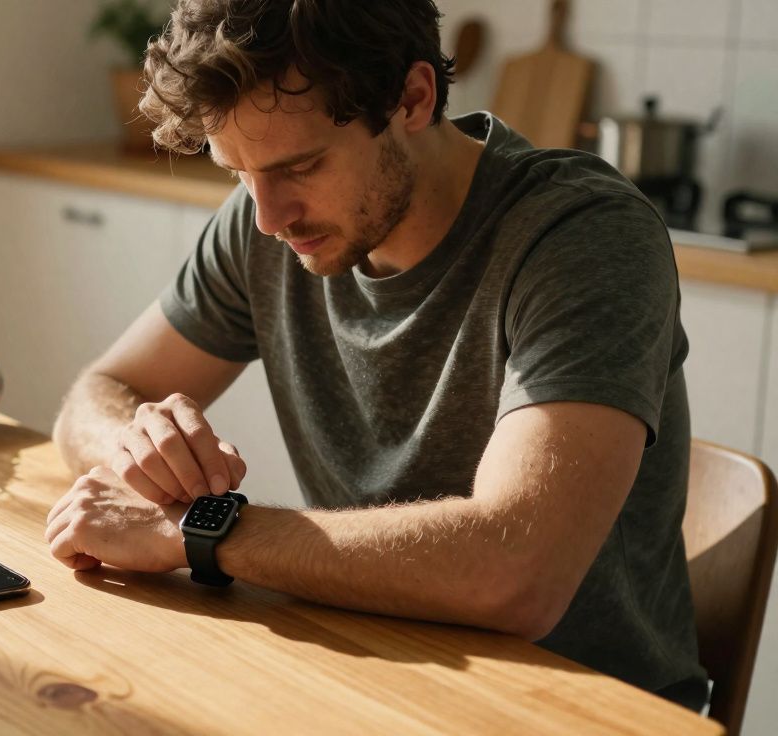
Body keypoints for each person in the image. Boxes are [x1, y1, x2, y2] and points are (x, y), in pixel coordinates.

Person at [43, 0, 707, 710]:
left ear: (413, 99)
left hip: (583, 710)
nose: (269, 217)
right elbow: (101, 390)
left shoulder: (581, 237)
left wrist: (201, 532)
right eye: (237, 172)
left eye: (300, 165)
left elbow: (517, 574)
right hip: (372, 677)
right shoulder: (267, 225)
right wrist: (135, 442)